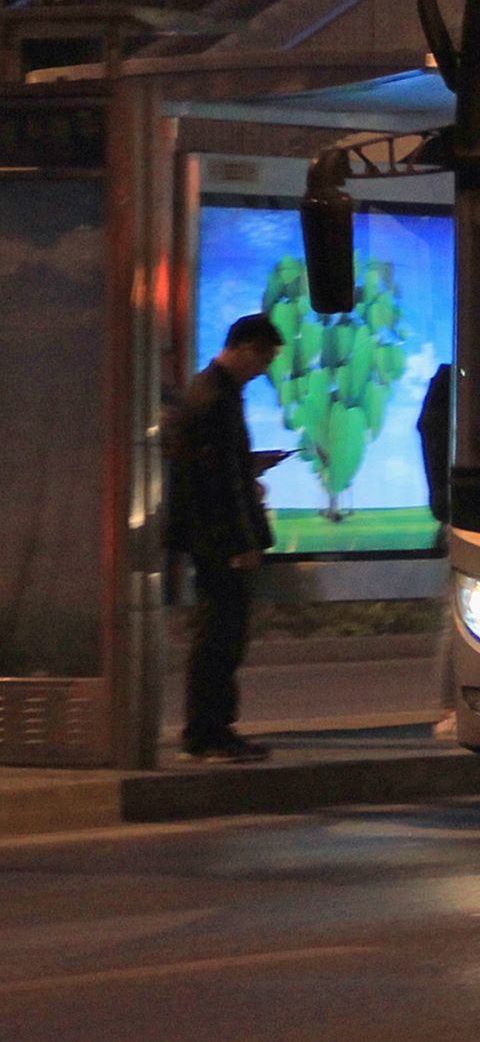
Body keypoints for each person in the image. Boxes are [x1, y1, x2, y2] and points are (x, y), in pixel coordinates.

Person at [163, 315, 289, 762]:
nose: (265, 369)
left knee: (219, 634)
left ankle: (212, 729)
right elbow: (217, 484)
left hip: (208, 536)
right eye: (265, 358)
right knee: (221, 635)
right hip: (219, 541)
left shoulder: (209, 391)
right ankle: (208, 732)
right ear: (245, 348)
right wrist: (242, 543)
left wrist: (250, 464)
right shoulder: (216, 397)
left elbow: (216, 469)